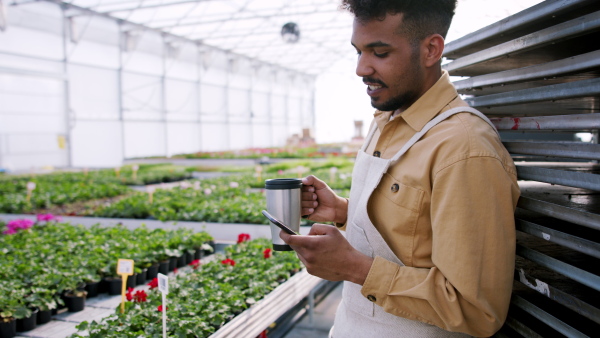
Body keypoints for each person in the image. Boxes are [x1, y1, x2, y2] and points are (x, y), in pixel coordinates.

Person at [279, 0, 520, 337]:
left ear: (431, 49)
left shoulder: (464, 149)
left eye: (379, 53)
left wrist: (354, 267)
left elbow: (476, 309)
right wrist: (345, 212)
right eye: (358, 51)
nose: (361, 68)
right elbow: (415, 238)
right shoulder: (386, 120)